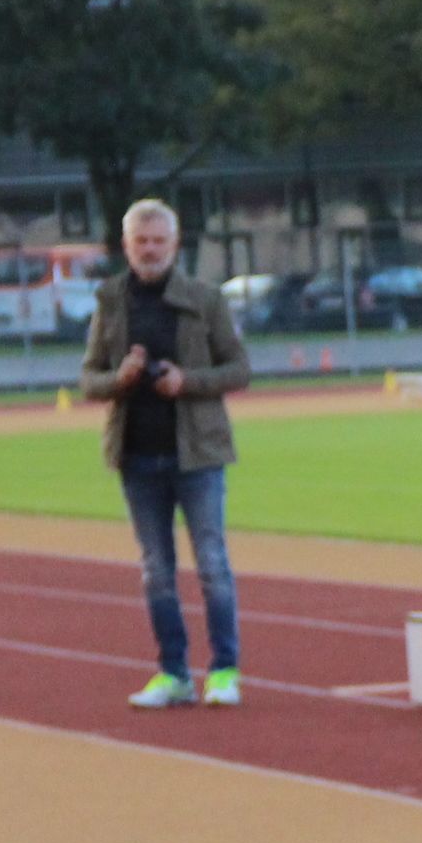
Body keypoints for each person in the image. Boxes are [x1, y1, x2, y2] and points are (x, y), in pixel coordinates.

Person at [80, 201, 250, 708]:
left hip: (197, 452)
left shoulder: (205, 299)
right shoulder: (111, 300)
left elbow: (239, 369)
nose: (150, 250)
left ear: (175, 245)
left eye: (158, 241)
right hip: (137, 454)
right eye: (141, 241)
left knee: (212, 565)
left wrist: (186, 381)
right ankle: (173, 672)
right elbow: (89, 378)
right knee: (156, 570)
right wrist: (121, 378)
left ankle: (223, 670)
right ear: (126, 246)